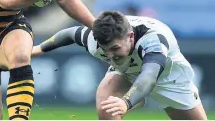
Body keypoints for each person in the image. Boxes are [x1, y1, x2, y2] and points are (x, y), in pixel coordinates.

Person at [32, 11, 207, 120]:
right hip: (127, 73)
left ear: (130, 37)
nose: (110, 55)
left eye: (115, 48)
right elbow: (69, 34)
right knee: (107, 107)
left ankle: (138, 100)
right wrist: (39, 49)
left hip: (169, 80)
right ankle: (137, 99)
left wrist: (126, 101)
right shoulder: (96, 39)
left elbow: (150, 76)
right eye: (105, 50)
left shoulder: (153, 40)